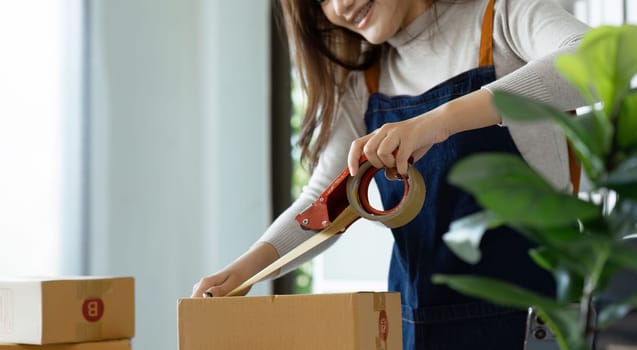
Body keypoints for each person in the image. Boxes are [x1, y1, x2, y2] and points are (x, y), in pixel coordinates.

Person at [192, 0, 589, 348]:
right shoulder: (366, 84)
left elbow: (594, 59)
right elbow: (323, 203)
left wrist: (439, 122)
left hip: (538, 324)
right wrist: (243, 272)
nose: (341, 5)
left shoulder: (500, 19)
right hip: (416, 329)